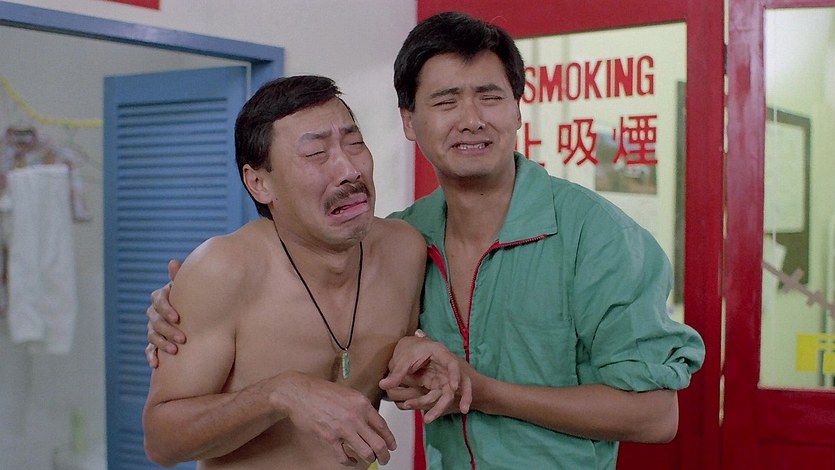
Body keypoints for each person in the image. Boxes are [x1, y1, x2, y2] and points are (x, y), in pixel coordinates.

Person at [147, 12, 705, 469]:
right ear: (409, 122)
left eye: (489, 97)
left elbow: (656, 416)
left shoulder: (589, 236)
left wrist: (469, 383)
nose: (471, 120)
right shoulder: (401, 239)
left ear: (517, 108)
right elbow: (167, 434)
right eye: (445, 101)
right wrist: (184, 307)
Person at [141, 75, 469, 470]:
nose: (349, 170)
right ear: (259, 183)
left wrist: (410, 355)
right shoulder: (224, 269)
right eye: (316, 153)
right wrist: (280, 393)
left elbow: (377, 370)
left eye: (354, 143)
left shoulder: (404, 250)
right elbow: (161, 442)